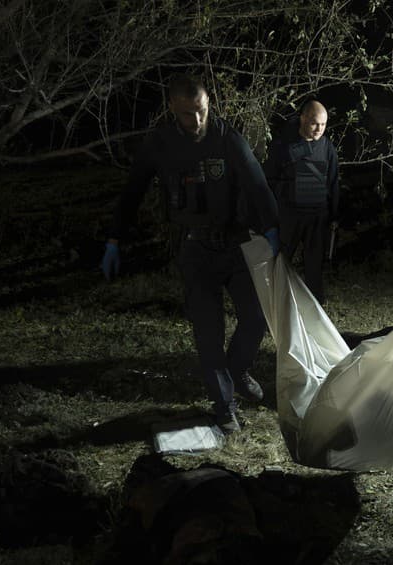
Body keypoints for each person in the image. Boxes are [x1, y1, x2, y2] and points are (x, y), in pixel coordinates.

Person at [100, 74, 281, 433]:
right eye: (186, 114)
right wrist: (113, 240)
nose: (196, 121)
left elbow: (257, 184)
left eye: (200, 111)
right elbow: (133, 190)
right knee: (207, 330)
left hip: (234, 242)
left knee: (256, 316)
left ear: (209, 103)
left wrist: (273, 228)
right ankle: (224, 404)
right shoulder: (160, 144)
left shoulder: (227, 139)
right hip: (194, 247)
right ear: (172, 109)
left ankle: (238, 369)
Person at [262, 99, 340, 306]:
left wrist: (334, 215)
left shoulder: (327, 147)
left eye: (323, 125)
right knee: (282, 262)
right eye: (315, 123)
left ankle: (316, 305)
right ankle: (276, 303)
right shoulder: (283, 145)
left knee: (314, 264)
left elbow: (333, 182)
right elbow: (269, 179)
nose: (319, 129)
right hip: (290, 215)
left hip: (317, 216)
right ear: (303, 118)